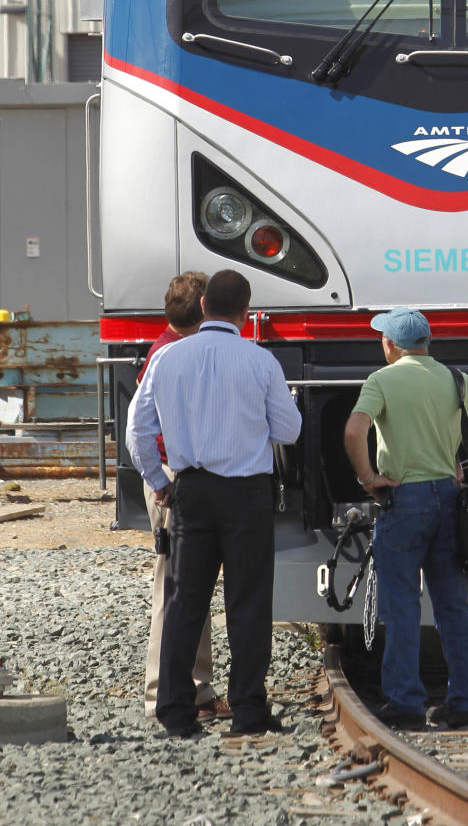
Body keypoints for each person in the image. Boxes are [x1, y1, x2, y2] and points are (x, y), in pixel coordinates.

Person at [126, 269, 302, 739]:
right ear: (247, 312)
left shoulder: (168, 358)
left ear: (204, 307)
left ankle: (176, 711)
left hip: (192, 490)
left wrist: (155, 480)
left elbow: (136, 430)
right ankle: (247, 710)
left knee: (185, 601)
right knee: (247, 602)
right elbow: (289, 431)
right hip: (246, 494)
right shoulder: (261, 361)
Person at [344, 307, 468, 730]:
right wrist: (464, 468)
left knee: (400, 605)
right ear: (427, 342)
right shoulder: (453, 378)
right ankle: (461, 703)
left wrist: (367, 477)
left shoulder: (381, 380)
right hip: (447, 499)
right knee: (453, 607)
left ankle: (406, 703)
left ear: (390, 345)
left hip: (403, 500)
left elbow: (353, 430)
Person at [135, 271, 228, 722]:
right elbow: (140, 431)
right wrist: (161, 482)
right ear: (206, 308)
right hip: (172, 478)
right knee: (174, 589)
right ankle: (165, 692)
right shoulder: (173, 356)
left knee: (185, 588)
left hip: (168, 475)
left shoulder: (163, 348)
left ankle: (195, 688)